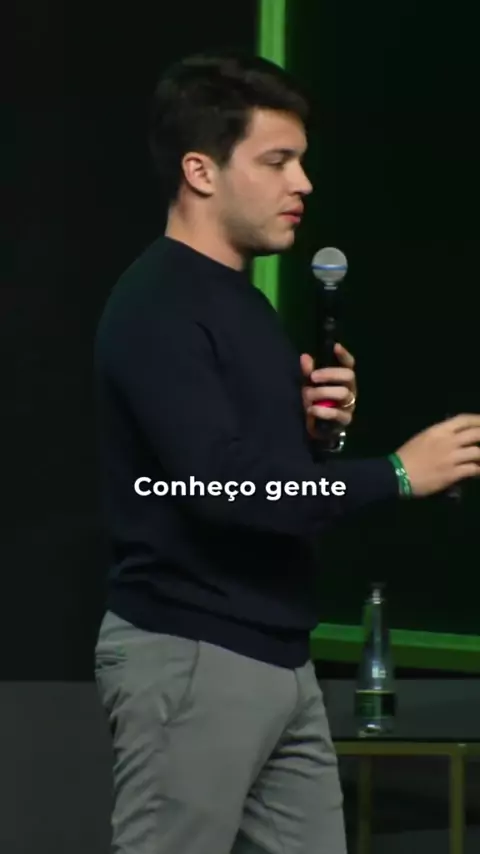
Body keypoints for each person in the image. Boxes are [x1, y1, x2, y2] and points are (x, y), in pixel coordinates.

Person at [93, 50, 480, 854]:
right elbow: (221, 491)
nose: (302, 183)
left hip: (277, 655)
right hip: (195, 653)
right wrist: (397, 474)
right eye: (277, 161)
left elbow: (254, 472)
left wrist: (311, 435)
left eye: (300, 161)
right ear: (201, 170)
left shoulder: (242, 301)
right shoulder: (158, 305)